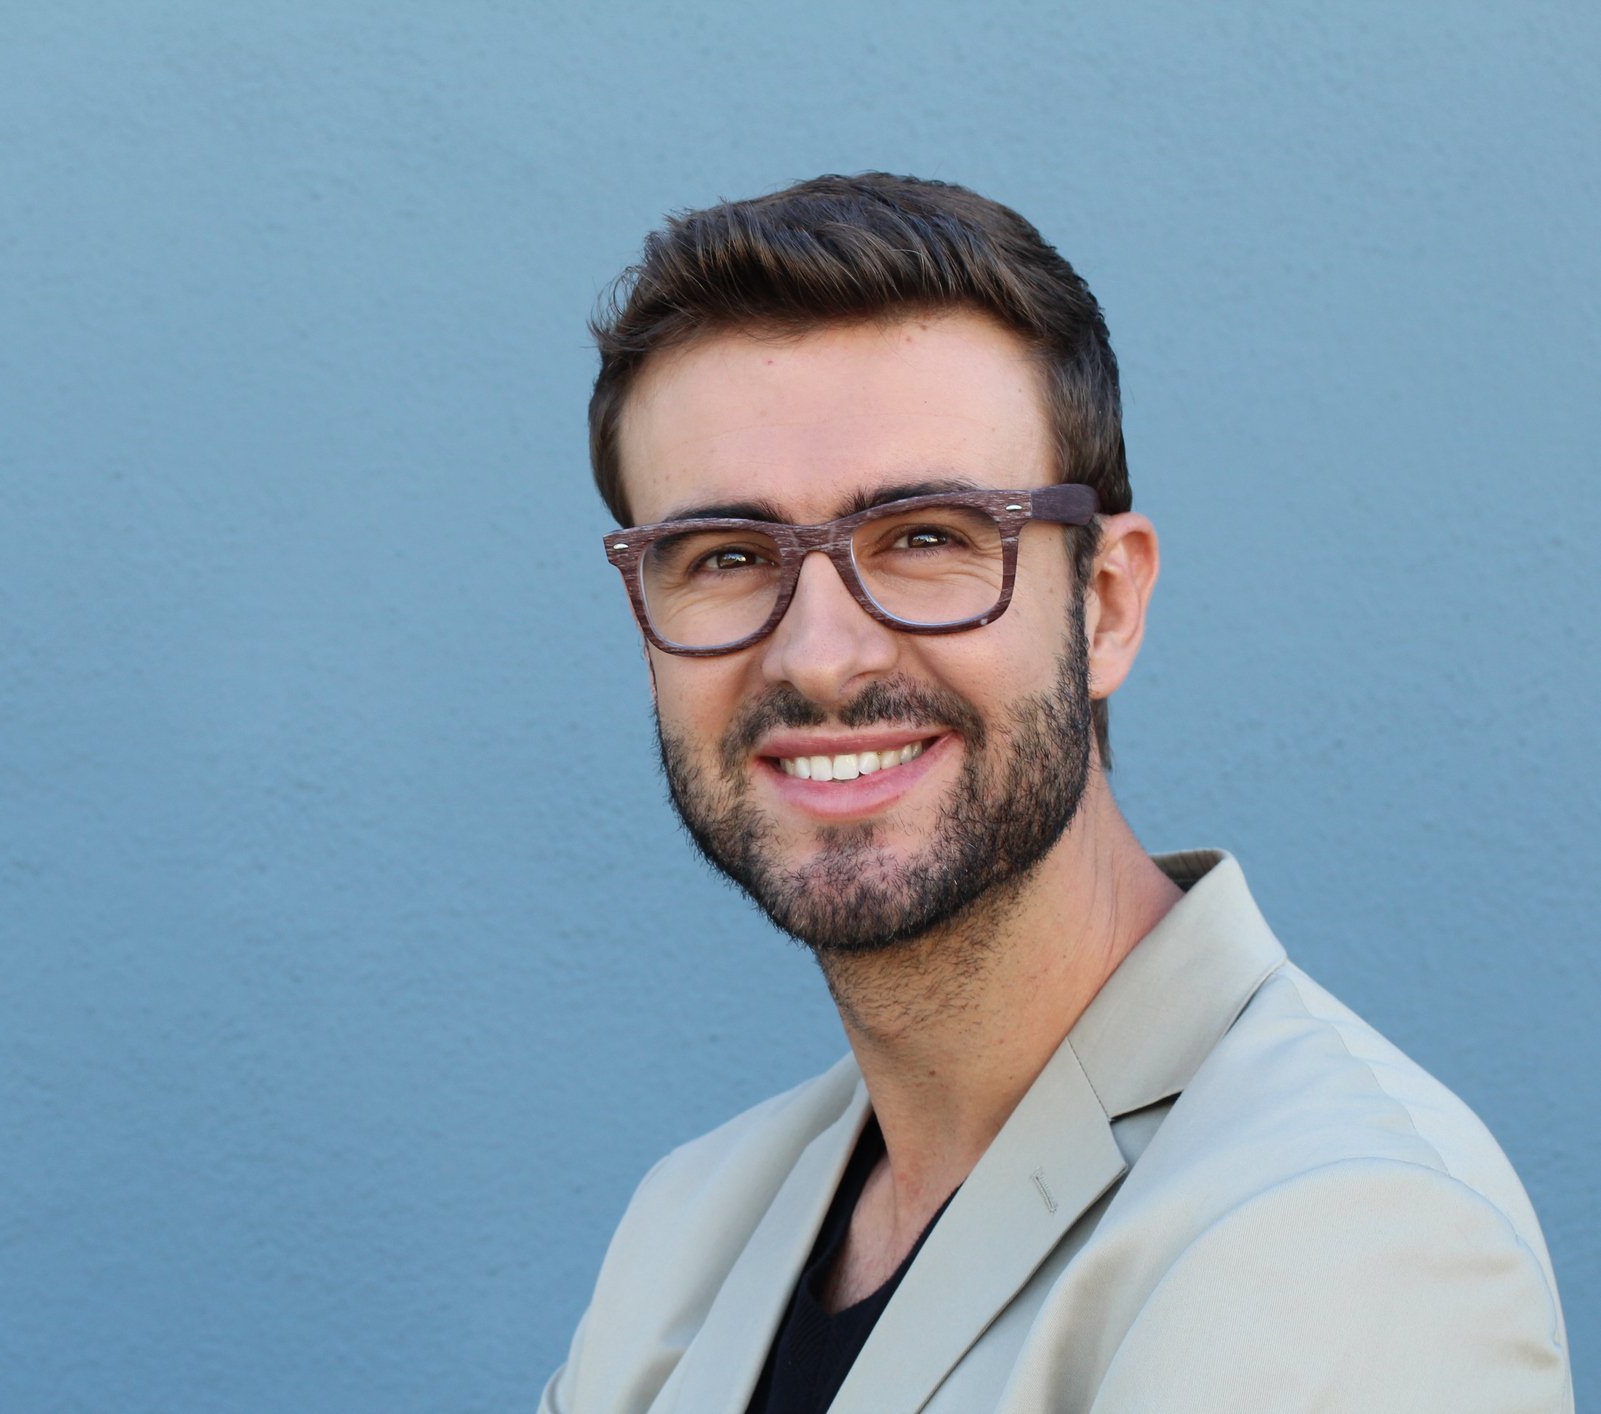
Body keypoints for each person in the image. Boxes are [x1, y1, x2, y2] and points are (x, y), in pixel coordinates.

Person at [538, 174, 1572, 1414]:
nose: (819, 653)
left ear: (1108, 603)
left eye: (925, 537)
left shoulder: (1342, 1232)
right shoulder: (686, 1235)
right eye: (725, 557)